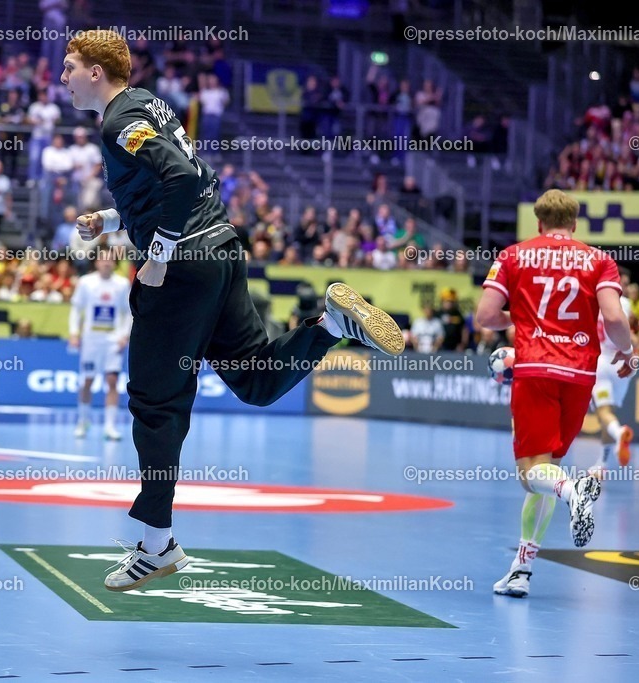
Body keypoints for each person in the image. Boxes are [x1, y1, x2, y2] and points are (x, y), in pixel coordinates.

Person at [61, 30, 405, 592]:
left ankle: (156, 544)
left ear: (96, 72)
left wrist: (160, 254)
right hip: (221, 248)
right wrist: (113, 220)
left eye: (70, 66)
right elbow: (178, 186)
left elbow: (184, 177)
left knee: (155, 402)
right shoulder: (149, 104)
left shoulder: (116, 121)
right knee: (256, 379)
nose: (63, 77)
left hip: (182, 268)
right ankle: (331, 327)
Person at [474, 189, 636, 599]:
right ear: (575, 223)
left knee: (533, 475)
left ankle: (574, 491)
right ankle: (521, 570)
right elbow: (614, 318)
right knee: (548, 469)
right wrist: (630, 353)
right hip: (580, 374)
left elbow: (486, 316)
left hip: (536, 369)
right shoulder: (599, 259)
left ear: (539, 223)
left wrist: (525, 319)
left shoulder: (513, 255)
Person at [69, 248, 132, 441]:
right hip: (91, 339)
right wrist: (74, 332)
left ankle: (110, 426)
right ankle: (83, 421)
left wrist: (124, 335)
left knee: (112, 380)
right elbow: (76, 309)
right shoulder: (86, 282)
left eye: (110, 260)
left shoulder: (122, 284)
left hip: (112, 340)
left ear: (114, 263)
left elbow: (128, 311)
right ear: (96, 262)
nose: (106, 263)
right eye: (103, 260)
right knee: (87, 380)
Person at [592, 295, 635, 467]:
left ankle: (619, 434)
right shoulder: (626, 302)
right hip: (625, 359)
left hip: (603, 362)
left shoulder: (597, 300)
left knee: (604, 413)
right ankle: (601, 464)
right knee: (609, 417)